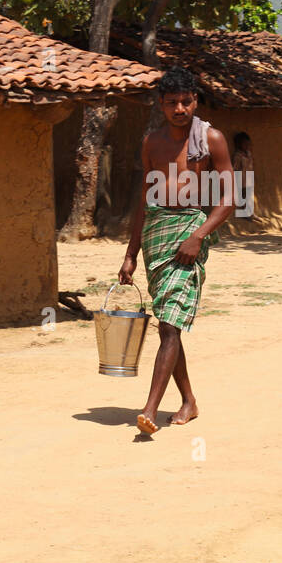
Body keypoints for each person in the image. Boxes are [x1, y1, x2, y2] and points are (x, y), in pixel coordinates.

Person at [119, 68, 235, 435]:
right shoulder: (151, 142)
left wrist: (198, 235)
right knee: (168, 324)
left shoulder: (211, 139)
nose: (180, 109)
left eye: (187, 101)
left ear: (196, 101)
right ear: (161, 105)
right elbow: (144, 199)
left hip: (189, 232)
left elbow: (231, 198)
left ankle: (150, 409)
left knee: (168, 323)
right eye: (172, 103)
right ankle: (188, 401)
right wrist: (131, 252)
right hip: (156, 234)